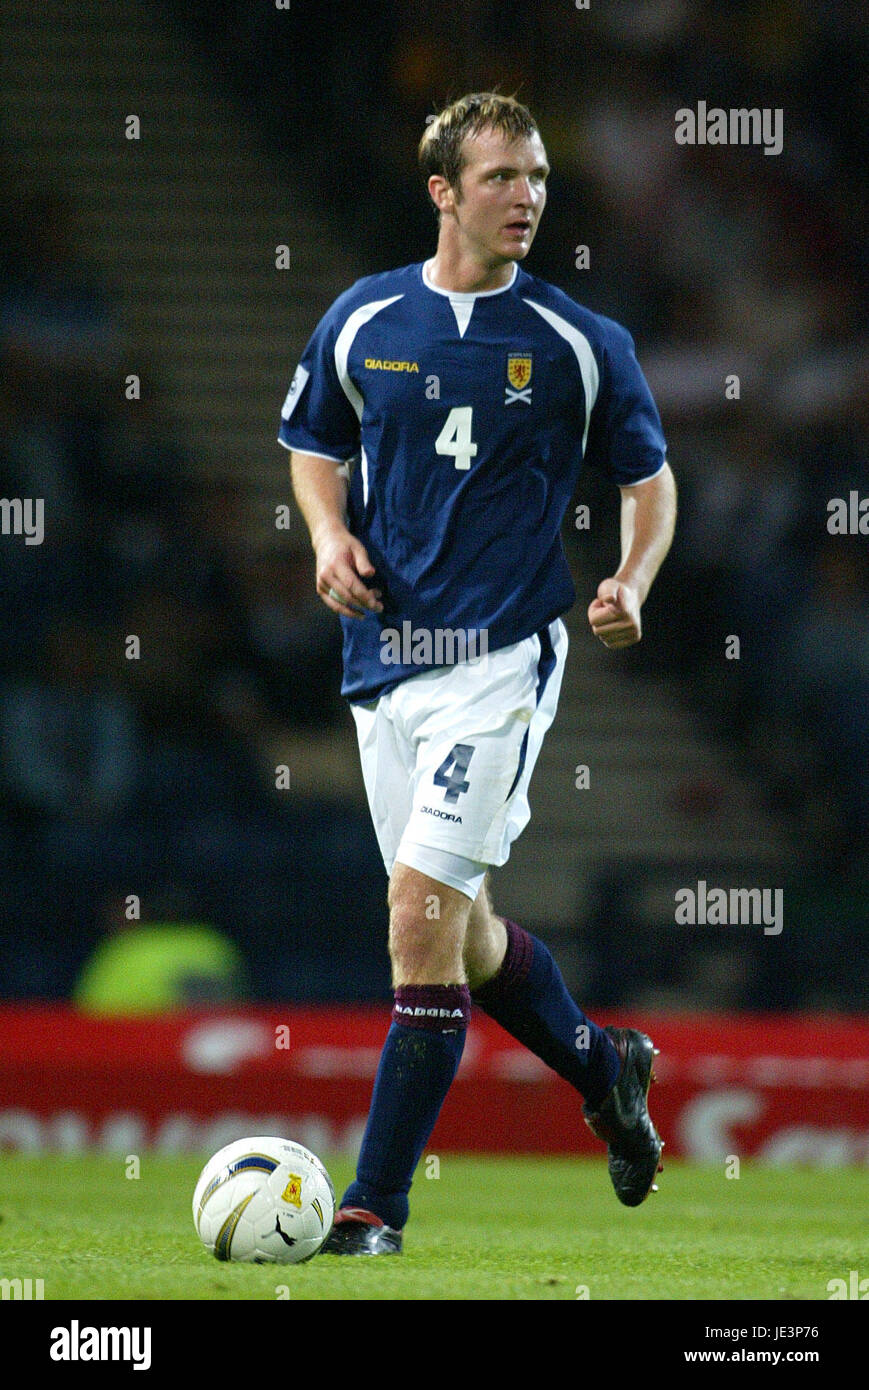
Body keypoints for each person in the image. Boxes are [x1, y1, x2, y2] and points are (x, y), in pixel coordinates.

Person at [279, 93, 677, 1254]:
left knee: (414, 919)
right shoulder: (363, 319)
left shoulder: (575, 340)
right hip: (384, 663)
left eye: (539, 177)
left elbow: (648, 482)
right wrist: (325, 536)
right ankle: (606, 1067)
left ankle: (372, 1207)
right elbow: (311, 444)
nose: (528, 197)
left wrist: (631, 579)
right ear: (442, 191)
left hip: (500, 659)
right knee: (467, 936)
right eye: (502, 176)